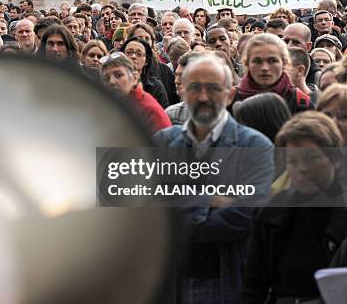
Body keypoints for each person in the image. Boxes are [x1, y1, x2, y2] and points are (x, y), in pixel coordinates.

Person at [154, 54, 274, 304]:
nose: (204, 97)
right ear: (183, 91)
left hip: (228, 281)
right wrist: (208, 200)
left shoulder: (255, 147)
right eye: (195, 88)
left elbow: (242, 217)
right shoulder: (162, 144)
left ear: (230, 95)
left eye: (213, 88)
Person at [241, 111, 347, 304]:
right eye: (293, 161)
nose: (302, 168)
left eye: (311, 158)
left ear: (335, 160)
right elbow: (253, 286)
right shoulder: (271, 213)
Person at [232, 34, 312, 114]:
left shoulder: (300, 101)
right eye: (257, 61)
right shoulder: (231, 98)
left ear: (284, 63)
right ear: (247, 63)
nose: (264, 68)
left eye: (272, 61)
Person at [100, 52, 170, 133]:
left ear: (134, 78)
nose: (111, 81)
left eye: (118, 75)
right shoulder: (111, 105)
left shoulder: (149, 111)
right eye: (106, 78)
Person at [120, 37, 169, 108]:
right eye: (129, 52)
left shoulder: (155, 87)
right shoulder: (112, 81)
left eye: (139, 54)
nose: (133, 56)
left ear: (146, 61)